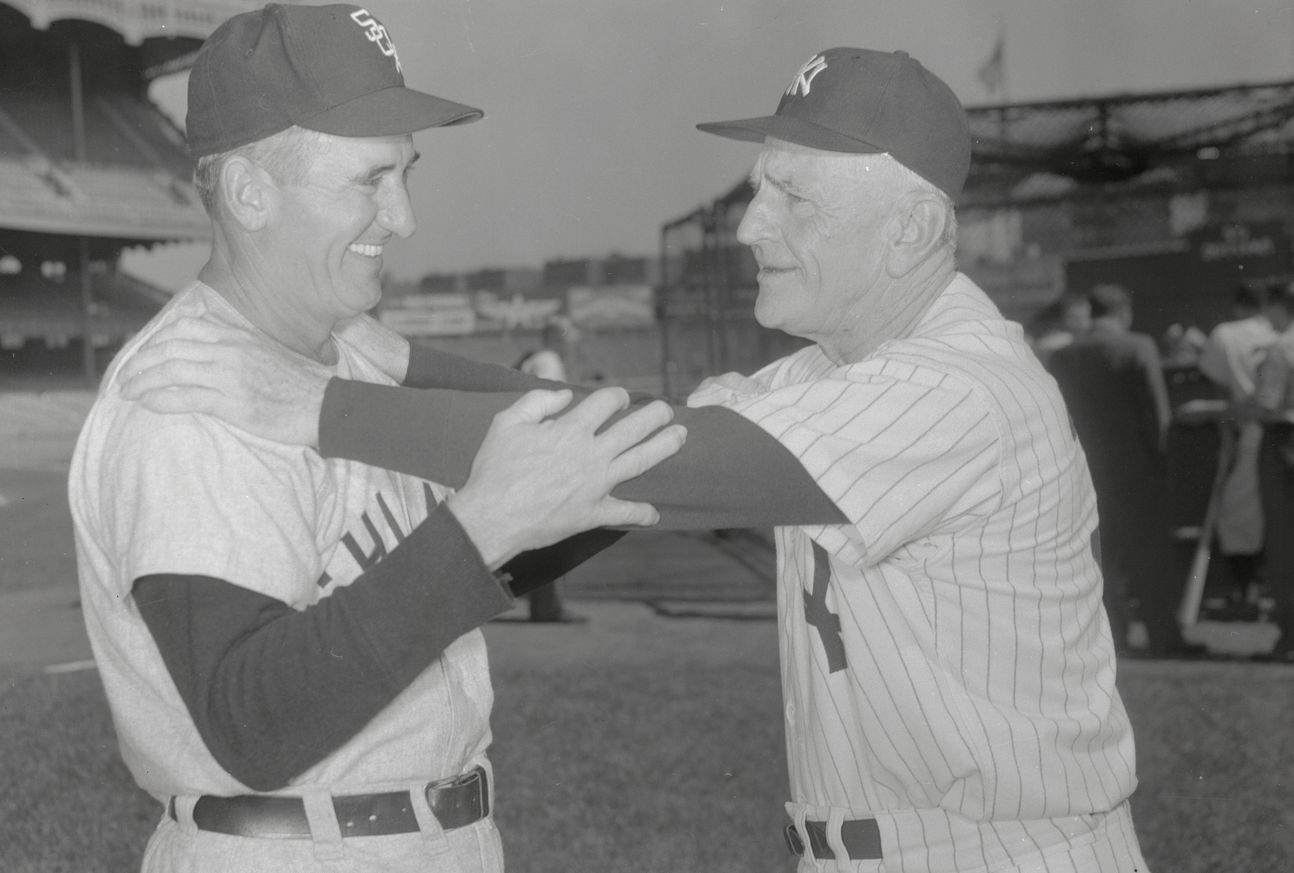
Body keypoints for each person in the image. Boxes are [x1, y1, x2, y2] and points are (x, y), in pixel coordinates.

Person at [122, 47, 1153, 871]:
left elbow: (646, 470)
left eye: (793, 196)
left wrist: (318, 405)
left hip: (1007, 855)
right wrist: (401, 363)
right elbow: (623, 426)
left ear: (912, 229)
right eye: (758, 190)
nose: (750, 226)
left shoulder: (964, 386)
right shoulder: (820, 377)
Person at [67, 6, 687, 873]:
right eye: (368, 179)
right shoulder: (189, 391)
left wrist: (406, 364)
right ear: (250, 191)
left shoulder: (356, 351)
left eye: (407, 175)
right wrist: (481, 529)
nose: (402, 218)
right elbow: (251, 720)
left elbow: (616, 454)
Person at [1047, 284, 1199, 658]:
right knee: (1150, 558)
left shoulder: (1063, 355)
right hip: (1137, 472)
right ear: (1123, 312)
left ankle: (1110, 639)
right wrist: (1163, 462)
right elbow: (1157, 413)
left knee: (1100, 562)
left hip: (1085, 473)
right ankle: (1163, 637)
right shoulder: (1139, 346)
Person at [1195, 282, 1276, 610]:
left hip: (1249, 429)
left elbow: (1217, 387)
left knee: (1237, 515)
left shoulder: (1226, 333)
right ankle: (1261, 589)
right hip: (1279, 425)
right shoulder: (1281, 330)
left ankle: (1250, 589)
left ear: (1238, 304)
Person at [517, 317, 587, 622]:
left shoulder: (536, 358)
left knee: (542, 530)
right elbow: (550, 404)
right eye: (570, 338)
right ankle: (547, 605)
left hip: (530, 452)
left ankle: (544, 603)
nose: (573, 344)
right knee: (553, 530)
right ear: (559, 338)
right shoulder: (548, 361)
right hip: (543, 454)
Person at [1250, 281, 1294, 661]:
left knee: (1284, 545)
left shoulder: (1281, 348)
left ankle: (1290, 636)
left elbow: (1266, 405)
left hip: (1285, 443)